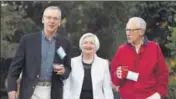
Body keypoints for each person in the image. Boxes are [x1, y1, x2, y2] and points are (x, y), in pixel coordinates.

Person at [7, 6, 72, 99]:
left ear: (59, 22)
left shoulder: (65, 43)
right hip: (30, 92)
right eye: (49, 17)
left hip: (53, 93)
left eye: (55, 18)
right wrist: (11, 89)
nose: (52, 21)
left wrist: (64, 71)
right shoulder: (28, 40)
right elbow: (15, 68)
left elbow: (68, 69)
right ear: (43, 20)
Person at [111, 17, 168, 99]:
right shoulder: (121, 50)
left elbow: (163, 75)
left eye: (131, 30)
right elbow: (115, 80)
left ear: (141, 31)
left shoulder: (154, 48)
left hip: (150, 96)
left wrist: (157, 95)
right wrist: (118, 74)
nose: (128, 33)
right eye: (127, 30)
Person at [63, 33, 114, 99]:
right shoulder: (72, 62)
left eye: (91, 43)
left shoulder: (103, 64)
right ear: (81, 45)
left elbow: (107, 88)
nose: (88, 45)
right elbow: (67, 87)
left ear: (96, 46)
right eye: (85, 43)